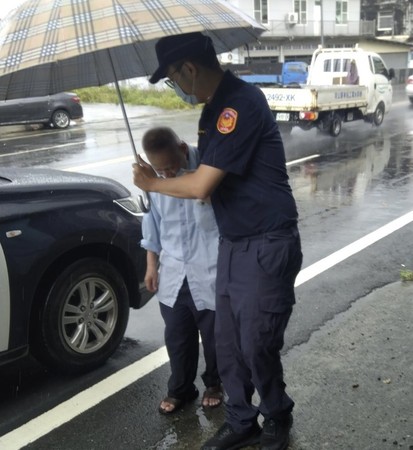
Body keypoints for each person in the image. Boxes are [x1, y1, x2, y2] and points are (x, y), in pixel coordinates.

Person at [133, 33, 302, 450]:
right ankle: (242, 419)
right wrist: (165, 183)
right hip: (233, 243)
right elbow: (206, 187)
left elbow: (202, 184)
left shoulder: (238, 104)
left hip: (265, 241)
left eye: (172, 78)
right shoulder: (212, 114)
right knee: (226, 343)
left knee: (256, 341)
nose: (175, 86)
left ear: (189, 68)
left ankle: (276, 413)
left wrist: (153, 182)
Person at [140, 126, 223, 415]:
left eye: (171, 167)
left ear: (183, 150)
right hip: (174, 273)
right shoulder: (152, 179)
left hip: (210, 270)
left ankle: (215, 383)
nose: (166, 175)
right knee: (177, 337)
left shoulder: (209, 169)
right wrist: (152, 266)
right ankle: (181, 389)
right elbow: (152, 224)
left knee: (215, 338)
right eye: (159, 170)